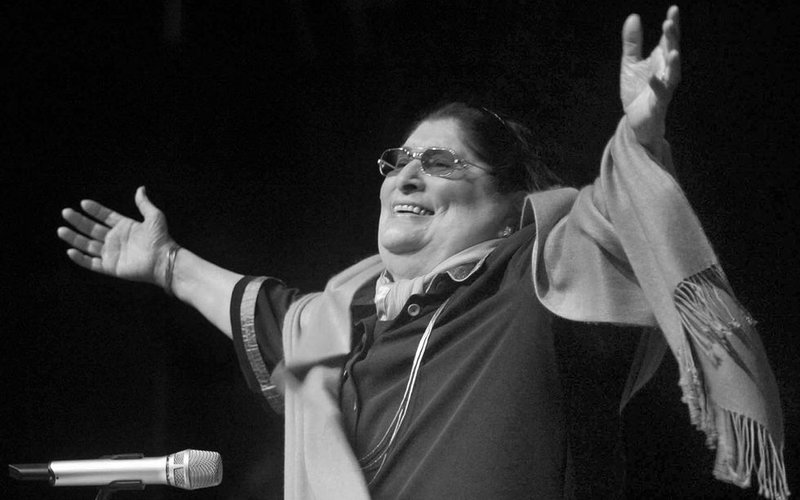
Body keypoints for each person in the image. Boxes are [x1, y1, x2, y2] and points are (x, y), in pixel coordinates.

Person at [57, 6, 788, 499]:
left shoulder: (536, 277)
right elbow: (271, 311)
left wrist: (641, 137)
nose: (405, 176)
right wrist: (167, 264)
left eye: (442, 163)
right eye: (399, 161)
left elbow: (622, 217)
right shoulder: (345, 318)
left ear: (510, 206)